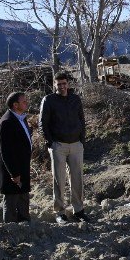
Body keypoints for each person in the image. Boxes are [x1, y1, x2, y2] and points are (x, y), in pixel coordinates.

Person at [39, 71, 90, 224]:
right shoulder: (48, 100)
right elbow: (43, 124)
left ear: (68, 84)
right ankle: (60, 212)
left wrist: (82, 140)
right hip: (58, 146)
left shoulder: (75, 99)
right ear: (54, 85)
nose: (61, 86)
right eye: (58, 84)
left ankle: (79, 210)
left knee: (77, 179)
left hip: (76, 145)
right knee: (59, 180)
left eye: (64, 83)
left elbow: (82, 120)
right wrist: (51, 143)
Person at [0, 92, 32, 223]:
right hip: (12, 172)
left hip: (22, 168)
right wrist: (14, 173)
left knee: (23, 201)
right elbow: (6, 152)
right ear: (15, 105)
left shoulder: (21, 118)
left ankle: (26, 229)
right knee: (11, 205)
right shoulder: (6, 123)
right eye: (23, 102)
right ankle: (11, 234)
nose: (26, 103)